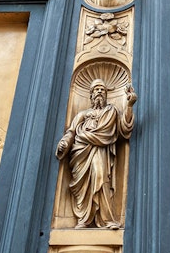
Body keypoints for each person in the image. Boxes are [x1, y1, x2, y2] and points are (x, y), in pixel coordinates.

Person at [56, 79, 137, 228]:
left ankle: (107, 219)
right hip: (82, 152)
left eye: (102, 90)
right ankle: (84, 219)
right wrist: (64, 143)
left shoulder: (112, 111)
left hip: (100, 151)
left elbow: (124, 128)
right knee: (85, 185)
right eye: (96, 90)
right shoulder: (83, 114)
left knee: (100, 177)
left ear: (106, 95)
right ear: (91, 95)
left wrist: (130, 105)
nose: (99, 92)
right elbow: (72, 132)